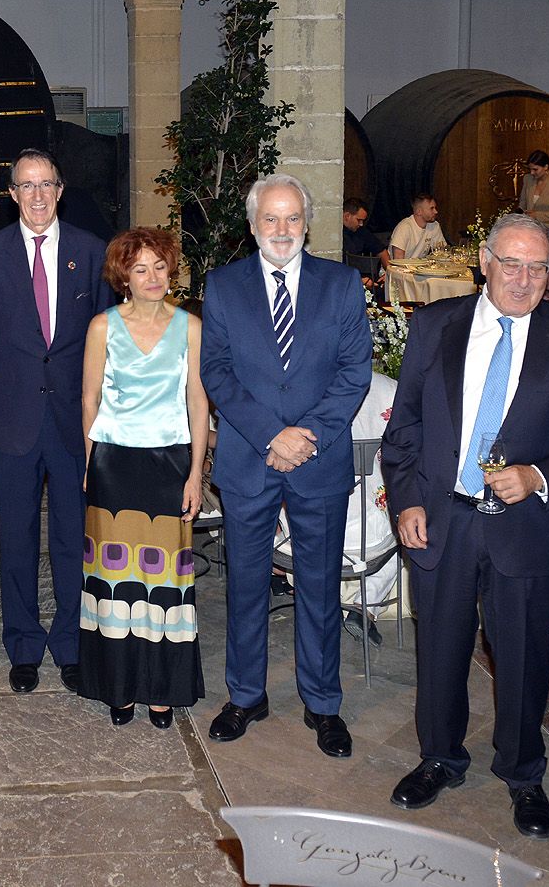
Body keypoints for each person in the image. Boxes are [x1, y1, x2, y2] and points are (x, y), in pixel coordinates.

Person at [381, 213, 549, 839]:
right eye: (512, 263)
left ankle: (524, 773)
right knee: (442, 649)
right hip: (444, 515)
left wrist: (540, 477)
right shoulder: (433, 325)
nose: (524, 278)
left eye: (537, 267)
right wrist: (407, 501)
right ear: (484, 261)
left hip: (524, 524)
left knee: (526, 657)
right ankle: (440, 757)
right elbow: (406, 430)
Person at [200, 174, 371, 757]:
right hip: (250, 460)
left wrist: (309, 438)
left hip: (317, 463)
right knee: (246, 585)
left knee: (320, 589)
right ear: (252, 226)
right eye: (270, 219)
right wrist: (272, 434)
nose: (281, 230)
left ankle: (323, 703)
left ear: (307, 224)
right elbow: (216, 372)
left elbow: (355, 373)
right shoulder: (222, 287)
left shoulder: (342, 285)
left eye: (291, 219)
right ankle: (246, 695)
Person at [0, 149, 113, 695]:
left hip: (75, 422)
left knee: (76, 538)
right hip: (13, 420)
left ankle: (72, 644)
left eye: (46, 184)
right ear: (11, 194)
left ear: (60, 189)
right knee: (18, 537)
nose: (37, 195)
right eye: (26, 186)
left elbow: (103, 344)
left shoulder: (91, 251)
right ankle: (23, 644)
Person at [79, 227, 206, 727]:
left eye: (159, 267)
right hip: (114, 465)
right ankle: (120, 686)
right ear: (123, 278)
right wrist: (91, 461)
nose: (153, 277)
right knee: (114, 579)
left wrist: (196, 473)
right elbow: (89, 400)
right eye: (140, 269)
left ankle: (161, 688)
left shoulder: (190, 326)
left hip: (169, 466)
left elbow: (198, 400)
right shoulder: (101, 327)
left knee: (165, 581)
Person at [518, 150, 549, 226]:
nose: (531, 172)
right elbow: (522, 203)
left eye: (535, 169)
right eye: (530, 169)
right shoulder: (527, 179)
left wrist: (536, 215)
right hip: (529, 228)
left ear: (546, 167)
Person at [388, 193, 445, 260]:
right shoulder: (404, 227)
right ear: (419, 211)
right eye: (431, 208)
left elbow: (442, 253)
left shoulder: (434, 225)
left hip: (419, 269)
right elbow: (398, 260)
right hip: (398, 269)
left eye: (435, 208)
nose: (436, 211)